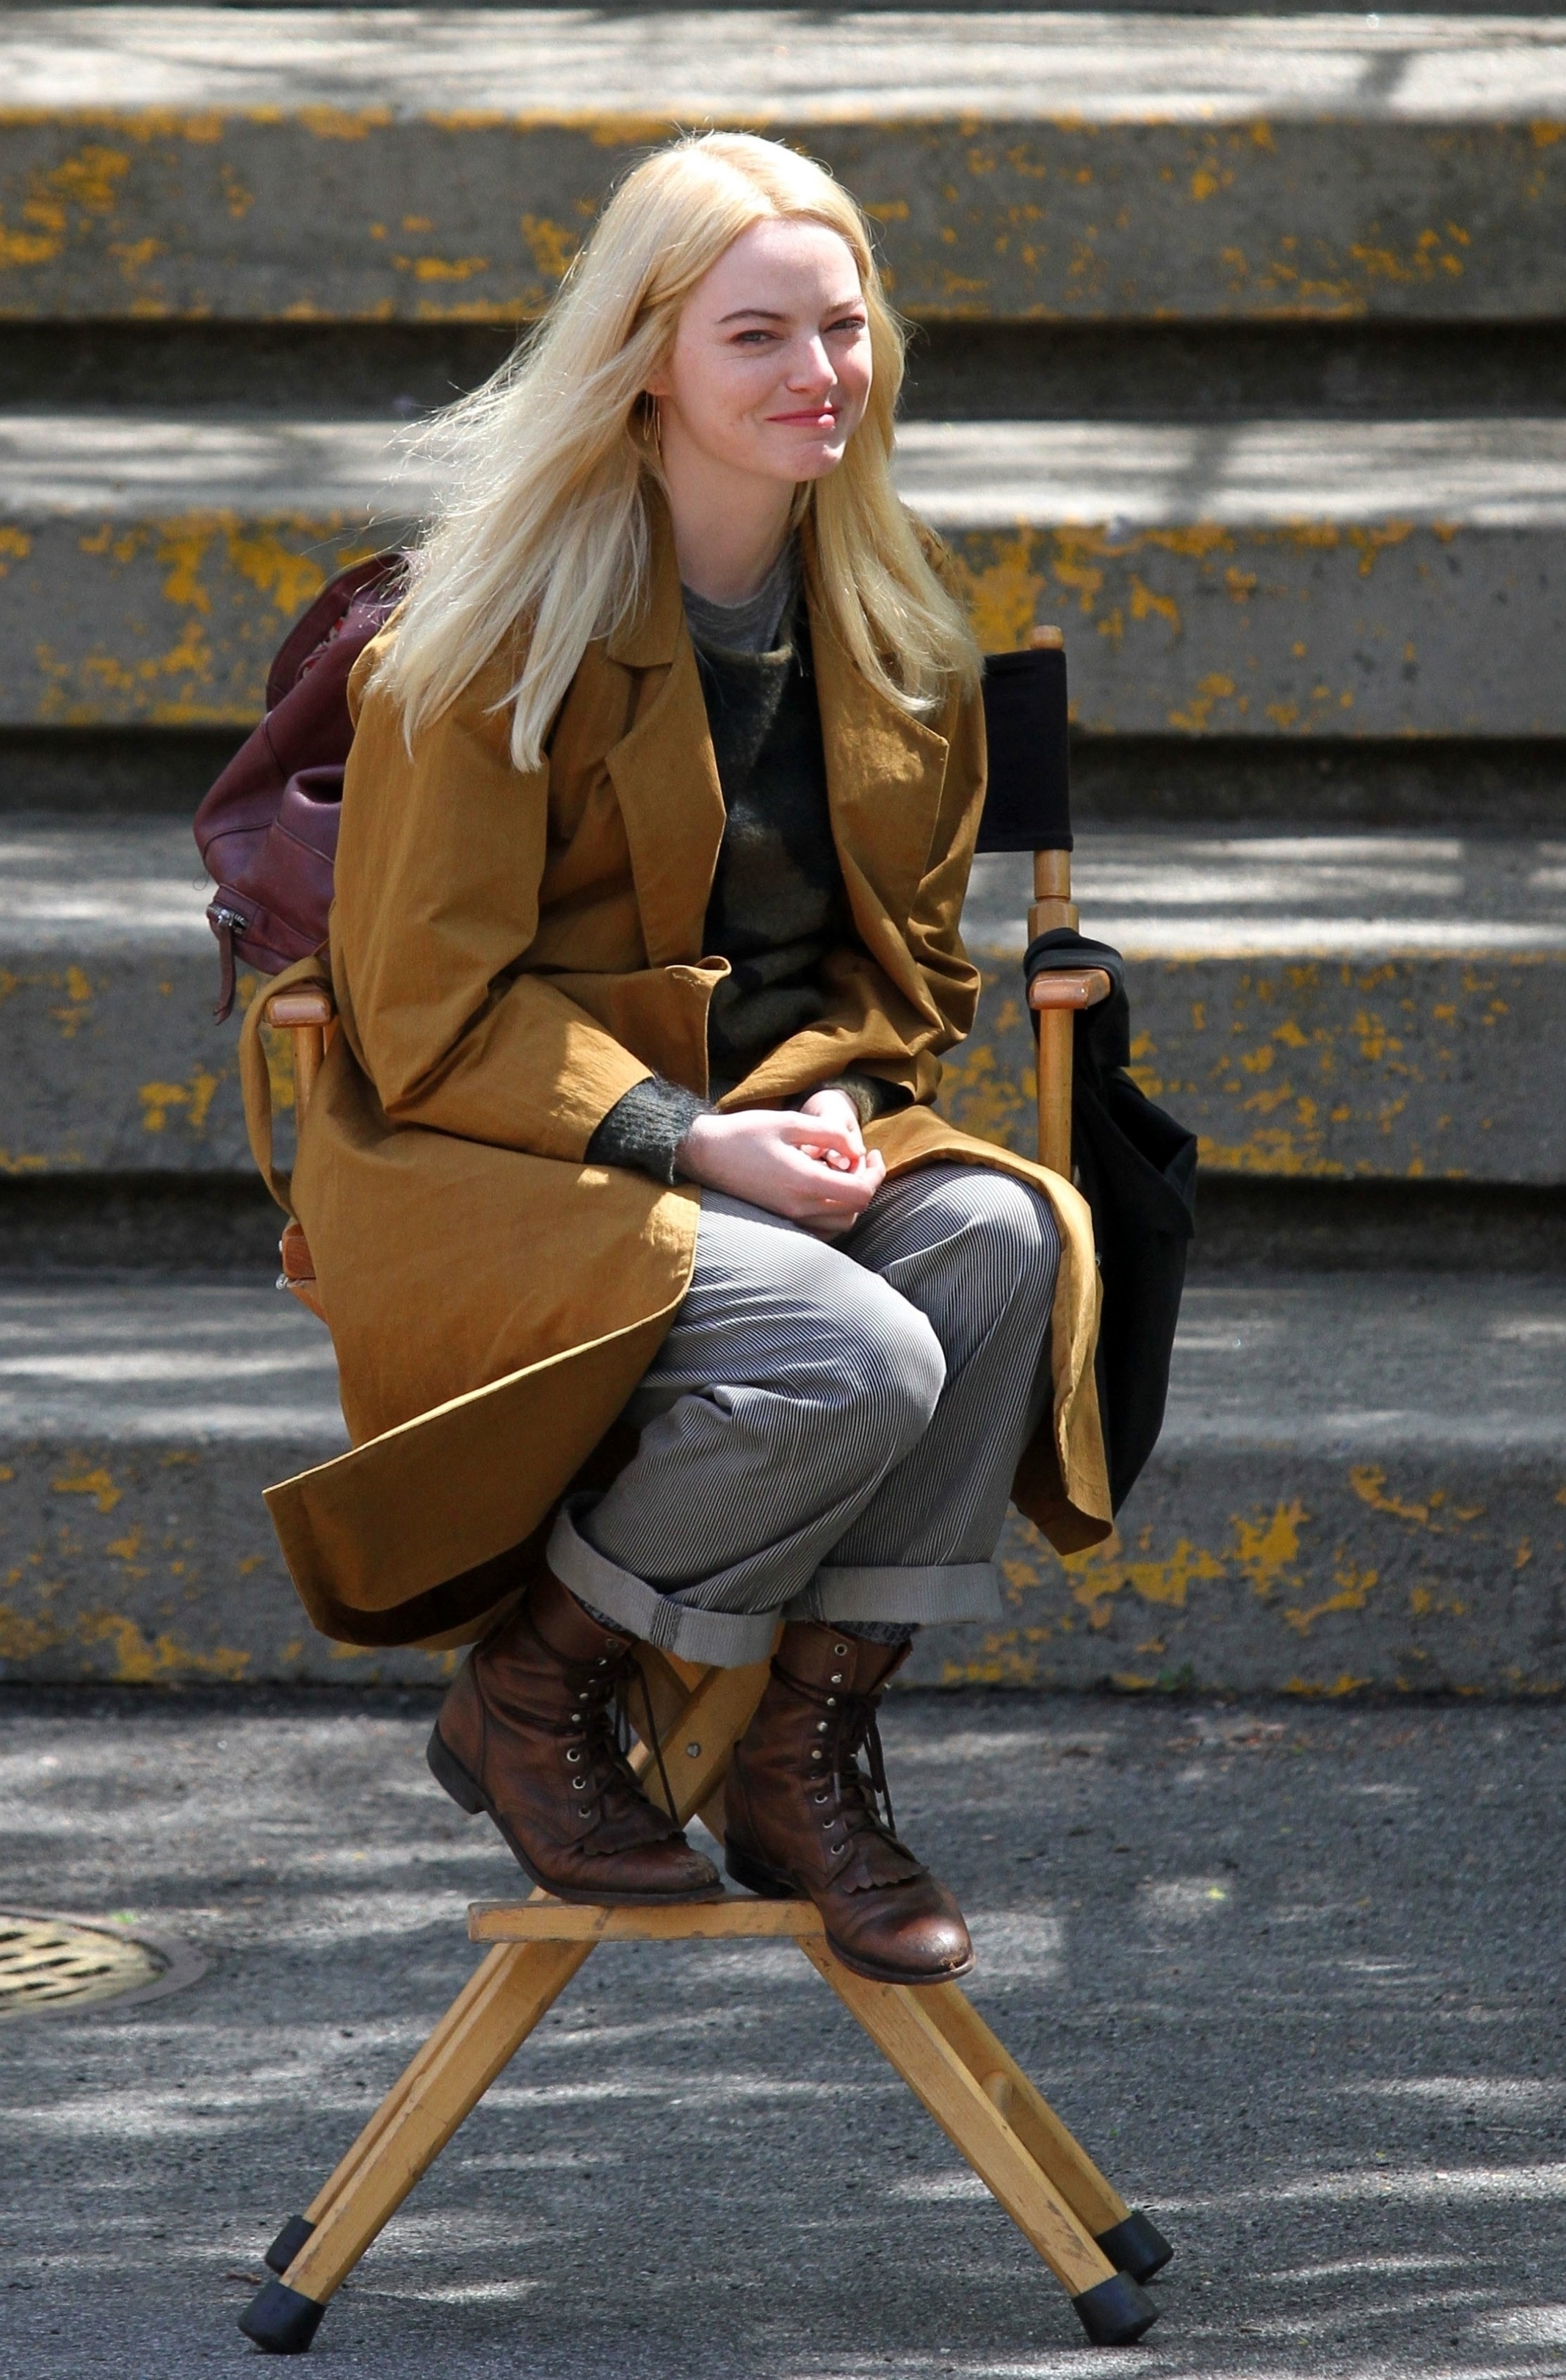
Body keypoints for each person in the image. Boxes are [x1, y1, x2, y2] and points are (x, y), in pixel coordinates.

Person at [284, 130, 1113, 1990]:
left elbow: (906, 977)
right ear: (644, 356)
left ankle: (797, 1754)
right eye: (758, 335)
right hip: (506, 1158)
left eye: (845, 325)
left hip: (762, 1131)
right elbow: (425, 1010)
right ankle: (534, 1688)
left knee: (1003, 1243)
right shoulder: (483, 641)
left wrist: (833, 1091)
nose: (820, 372)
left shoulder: (893, 630)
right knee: (854, 1352)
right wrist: (687, 1138)